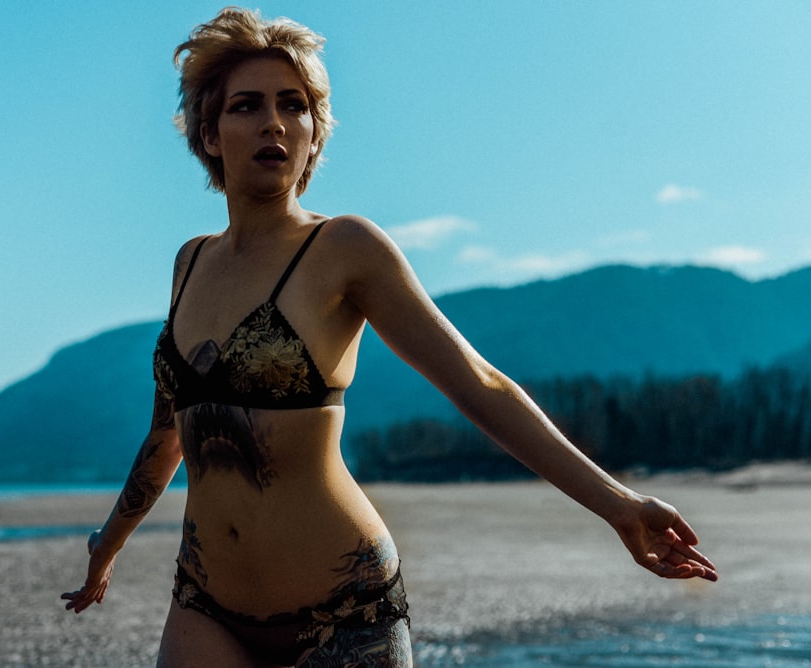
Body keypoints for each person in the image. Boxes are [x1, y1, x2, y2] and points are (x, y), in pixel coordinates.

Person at [61, 7, 718, 667]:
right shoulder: (189, 262)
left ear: (315, 133)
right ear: (208, 131)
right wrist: (108, 542)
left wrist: (620, 505)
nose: (274, 123)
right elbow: (167, 432)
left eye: (294, 106)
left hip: (345, 611)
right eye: (247, 106)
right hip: (205, 604)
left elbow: (480, 385)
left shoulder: (344, 248)